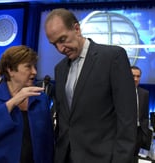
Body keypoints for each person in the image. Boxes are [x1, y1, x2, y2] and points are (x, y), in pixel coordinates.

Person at [45, 8, 137, 163]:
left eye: (62, 40)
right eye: (55, 45)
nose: (60, 49)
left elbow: (127, 120)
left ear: (76, 29)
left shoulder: (112, 57)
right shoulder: (59, 69)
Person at [0, 45, 54, 163]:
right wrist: (12, 102)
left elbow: (47, 141)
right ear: (10, 70)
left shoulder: (40, 98)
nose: (34, 72)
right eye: (28, 67)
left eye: (34, 66)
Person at [131, 66, 152, 156]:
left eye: (138, 76)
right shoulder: (118, 93)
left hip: (139, 133)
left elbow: (145, 116)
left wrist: (145, 134)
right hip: (123, 133)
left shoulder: (144, 93)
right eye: (133, 76)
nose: (135, 79)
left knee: (135, 158)